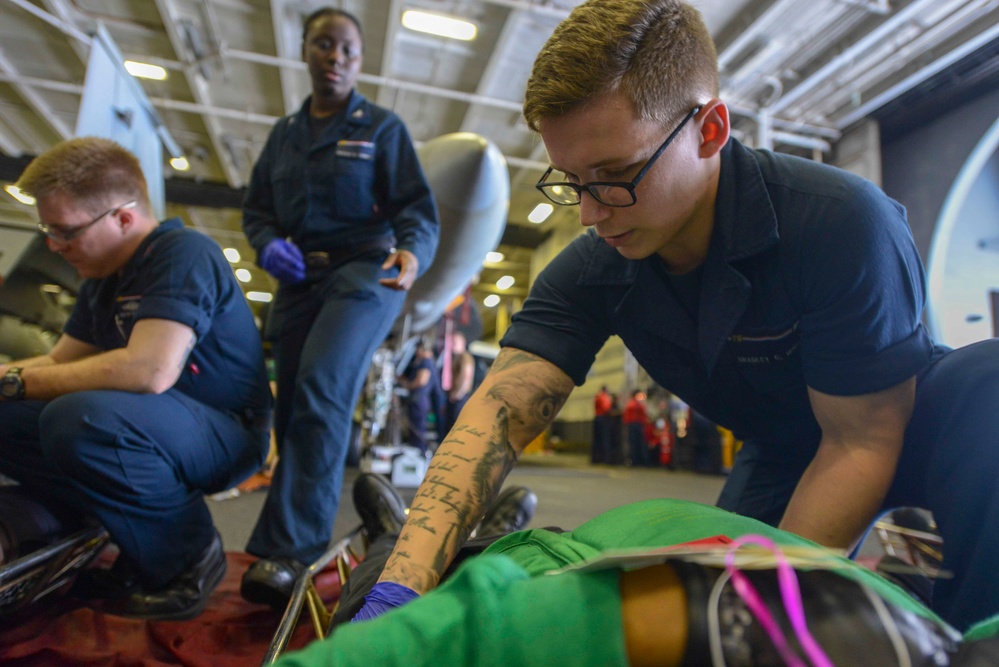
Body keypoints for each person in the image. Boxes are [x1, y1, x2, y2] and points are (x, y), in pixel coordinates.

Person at [357, 0, 999, 631]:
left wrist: (768, 613)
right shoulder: (594, 269)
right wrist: (397, 590)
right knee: (708, 600)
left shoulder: (841, 221)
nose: (589, 211)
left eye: (615, 174)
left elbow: (860, 443)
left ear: (710, 130)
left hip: (916, 437)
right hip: (780, 452)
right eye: (572, 180)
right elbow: (493, 421)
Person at [273, 477, 998, 667]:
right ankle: (473, 532)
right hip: (655, 554)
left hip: (581, 569)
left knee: (399, 588)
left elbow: (477, 630)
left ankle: (391, 535)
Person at [0, 137, 272, 620]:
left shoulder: (183, 253)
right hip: (156, 425)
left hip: (225, 434)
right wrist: (7, 378)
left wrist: (17, 383)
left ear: (123, 218)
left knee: (78, 418)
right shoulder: (103, 276)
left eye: (64, 231)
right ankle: (117, 527)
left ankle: (189, 555)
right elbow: (60, 361)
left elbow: (149, 371)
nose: (53, 245)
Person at [239, 6, 440, 610]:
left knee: (325, 386)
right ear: (304, 49)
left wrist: (413, 252)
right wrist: (266, 243)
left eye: (349, 50)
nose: (336, 58)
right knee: (292, 399)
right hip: (301, 277)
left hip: (365, 269)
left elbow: (415, 207)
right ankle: (280, 541)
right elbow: (257, 210)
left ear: (359, 60)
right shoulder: (284, 135)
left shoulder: (379, 127)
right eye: (325, 45)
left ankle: (293, 554)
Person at [399, 341, 437, 455]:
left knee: (418, 431)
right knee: (415, 429)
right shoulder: (423, 362)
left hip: (419, 399)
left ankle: (419, 455)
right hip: (418, 399)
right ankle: (415, 454)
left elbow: (421, 381)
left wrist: (407, 385)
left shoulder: (426, 362)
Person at [441, 331, 475, 434]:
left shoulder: (465, 358)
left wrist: (457, 394)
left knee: (454, 428)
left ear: (463, 343)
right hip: (454, 397)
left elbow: (466, 377)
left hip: (459, 398)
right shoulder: (456, 358)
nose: (452, 344)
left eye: (454, 342)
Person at [622, 390, 649, 467]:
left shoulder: (630, 403)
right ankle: (639, 460)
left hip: (634, 425)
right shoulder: (636, 404)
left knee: (634, 443)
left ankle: (635, 460)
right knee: (637, 443)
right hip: (636, 425)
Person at [591, 385, 613, 464]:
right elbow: (606, 408)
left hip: (597, 418)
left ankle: (596, 459)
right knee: (605, 439)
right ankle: (606, 459)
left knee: (597, 440)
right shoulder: (604, 397)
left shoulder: (597, 396)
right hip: (603, 419)